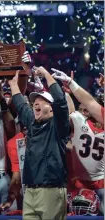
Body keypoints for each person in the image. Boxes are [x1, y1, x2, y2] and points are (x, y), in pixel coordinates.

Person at [9, 67, 70, 220]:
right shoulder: (32, 123)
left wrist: (46, 75)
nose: (36, 103)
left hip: (51, 190)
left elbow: (61, 101)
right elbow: (21, 105)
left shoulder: (59, 126)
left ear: (52, 109)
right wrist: (13, 85)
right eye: (34, 101)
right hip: (30, 191)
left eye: (41, 101)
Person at [52, 69, 104, 215]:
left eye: (86, 109)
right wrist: (68, 93)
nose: (84, 111)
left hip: (102, 181)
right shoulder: (80, 120)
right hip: (80, 181)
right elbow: (71, 110)